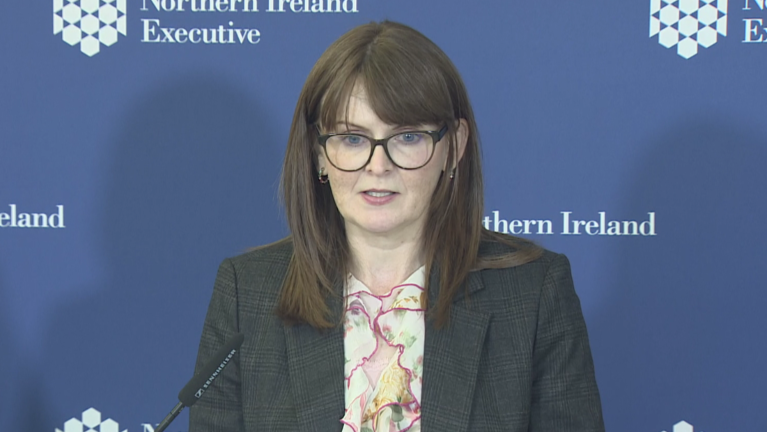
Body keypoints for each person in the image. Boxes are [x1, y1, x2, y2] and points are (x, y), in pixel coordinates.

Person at [189, 20, 604, 432]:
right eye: (352, 138)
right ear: (318, 153)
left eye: (406, 137)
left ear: (453, 147)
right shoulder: (248, 293)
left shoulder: (534, 293)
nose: (378, 166)